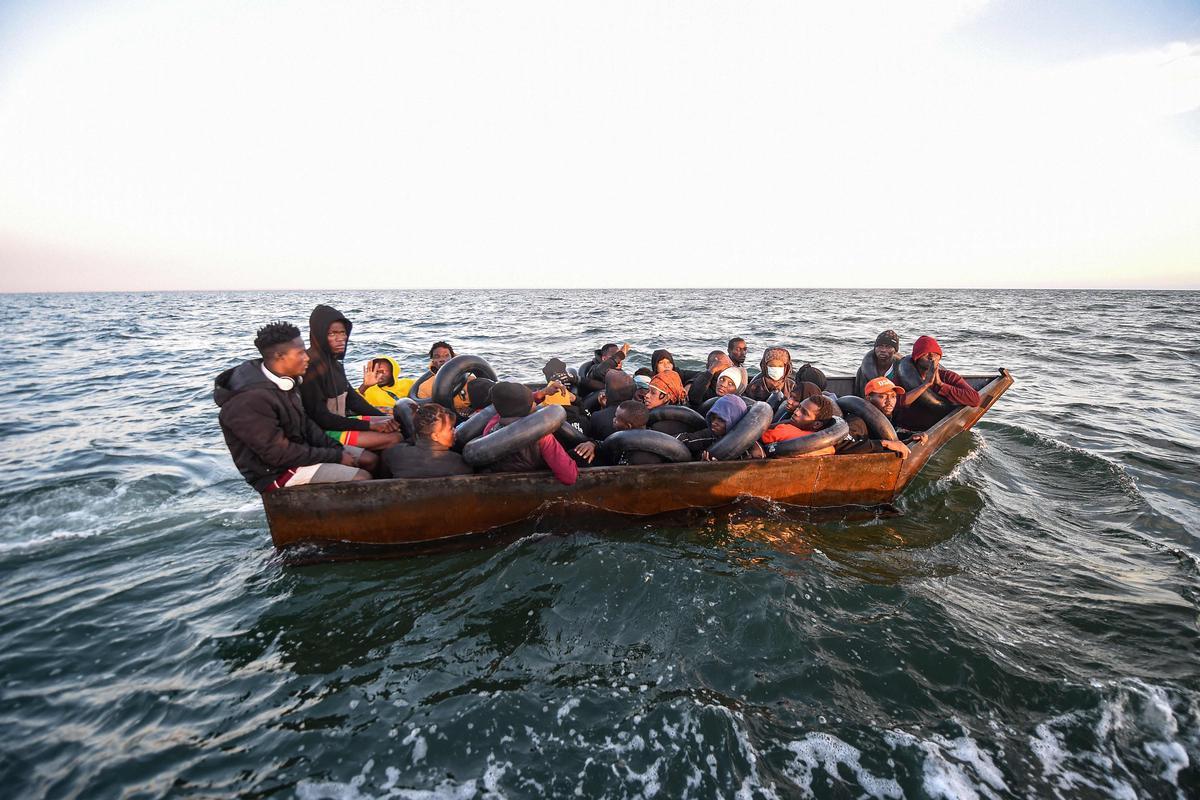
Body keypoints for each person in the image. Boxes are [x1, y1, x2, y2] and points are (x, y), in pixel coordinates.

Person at [214, 321, 374, 492]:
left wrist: (336, 449)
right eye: (300, 353)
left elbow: (306, 424)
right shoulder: (248, 401)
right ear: (278, 356)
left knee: (370, 459)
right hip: (275, 472)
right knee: (362, 478)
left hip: (300, 451)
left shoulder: (286, 382)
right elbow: (278, 454)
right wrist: (336, 456)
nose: (307, 358)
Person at [300, 305, 402, 451]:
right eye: (332, 334)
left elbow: (353, 400)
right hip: (322, 431)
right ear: (319, 334)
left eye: (343, 333)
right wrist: (371, 426)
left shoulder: (334, 364)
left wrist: (383, 418)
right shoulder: (309, 367)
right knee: (394, 438)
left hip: (339, 422)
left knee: (397, 425)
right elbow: (321, 417)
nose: (341, 338)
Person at [479, 382, 578, 485]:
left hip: (501, 481)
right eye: (533, 403)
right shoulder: (541, 436)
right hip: (532, 484)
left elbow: (513, 405)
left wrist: (543, 392)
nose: (536, 404)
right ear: (528, 409)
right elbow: (569, 477)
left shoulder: (491, 427)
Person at [897, 336, 981, 428]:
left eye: (935, 354)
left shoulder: (948, 376)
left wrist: (941, 385)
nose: (931, 357)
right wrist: (926, 385)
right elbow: (898, 403)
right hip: (907, 428)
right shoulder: (904, 376)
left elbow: (975, 399)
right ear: (917, 358)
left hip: (934, 426)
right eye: (926, 354)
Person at [836, 376, 927, 457]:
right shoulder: (856, 421)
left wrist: (910, 438)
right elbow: (840, 446)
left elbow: (888, 436)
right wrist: (884, 444)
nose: (889, 402)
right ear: (868, 398)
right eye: (882, 396)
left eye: (893, 396)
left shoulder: (886, 416)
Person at [381, 403, 474, 478]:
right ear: (435, 436)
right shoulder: (459, 464)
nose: (454, 431)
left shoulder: (394, 454)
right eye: (450, 429)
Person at [573, 401, 664, 465]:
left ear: (628, 426)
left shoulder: (638, 455)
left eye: (616, 419)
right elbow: (607, 445)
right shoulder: (622, 439)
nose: (613, 420)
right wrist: (593, 444)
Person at [678, 394, 764, 461]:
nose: (714, 423)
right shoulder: (711, 434)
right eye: (713, 417)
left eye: (721, 420)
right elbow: (687, 439)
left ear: (734, 420)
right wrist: (700, 458)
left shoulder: (750, 446)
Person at [761, 394, 840, 456]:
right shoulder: (827, 446)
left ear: (817, 424)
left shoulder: (784, 430)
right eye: (799, 407)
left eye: (804, 413)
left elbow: (753, 437)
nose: (796, 412)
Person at [583, 370, 636, 440]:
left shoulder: (598, 417)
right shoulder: (639, 411)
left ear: (607, 393)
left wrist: (603, 408)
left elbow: (591, 438)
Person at [853, 330, 901, 397]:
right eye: (880, 346)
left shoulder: (900, 370)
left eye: (888, 347)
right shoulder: (863, 370)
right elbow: (859, 394)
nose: (883, 350)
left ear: (895, 351)